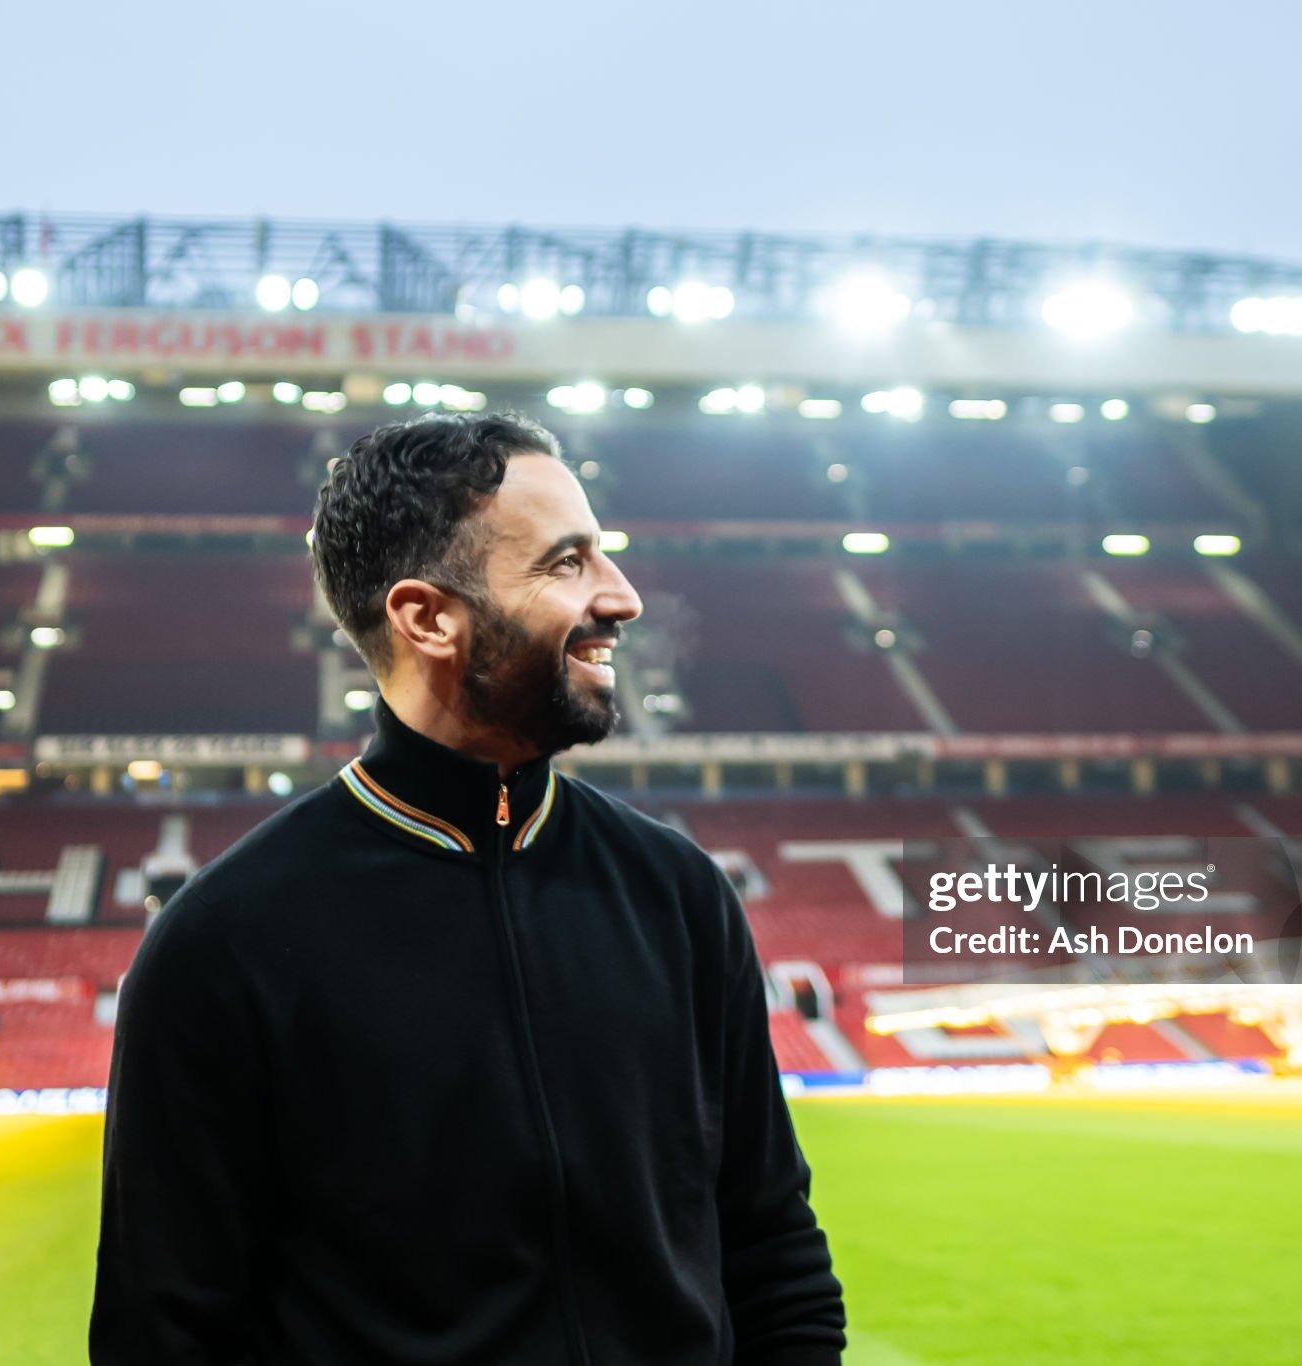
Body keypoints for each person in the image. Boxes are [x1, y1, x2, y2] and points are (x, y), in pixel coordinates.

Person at [90, 411, 846, 1364]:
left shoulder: (678, 894)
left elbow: (773, 1249)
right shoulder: (226, 943)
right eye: (567, 564)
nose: (623, 597)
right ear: (427, 618)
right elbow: (164, 1334)